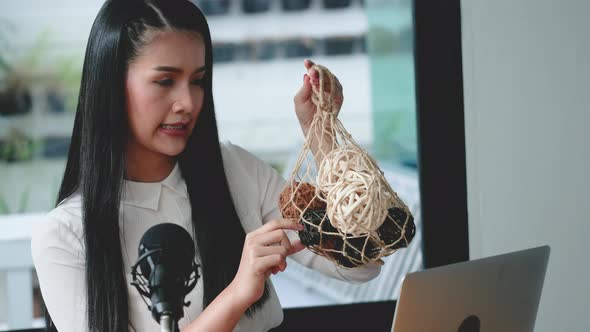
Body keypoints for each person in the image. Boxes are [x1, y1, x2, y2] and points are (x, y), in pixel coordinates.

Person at [31, 0, 381, 331]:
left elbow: (362, 264)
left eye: (197, 81)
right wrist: (238, 293)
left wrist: (322, 133)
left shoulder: (234, 170)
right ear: (111, 86)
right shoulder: (64, 236)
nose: (186, 102)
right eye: (165, 81)